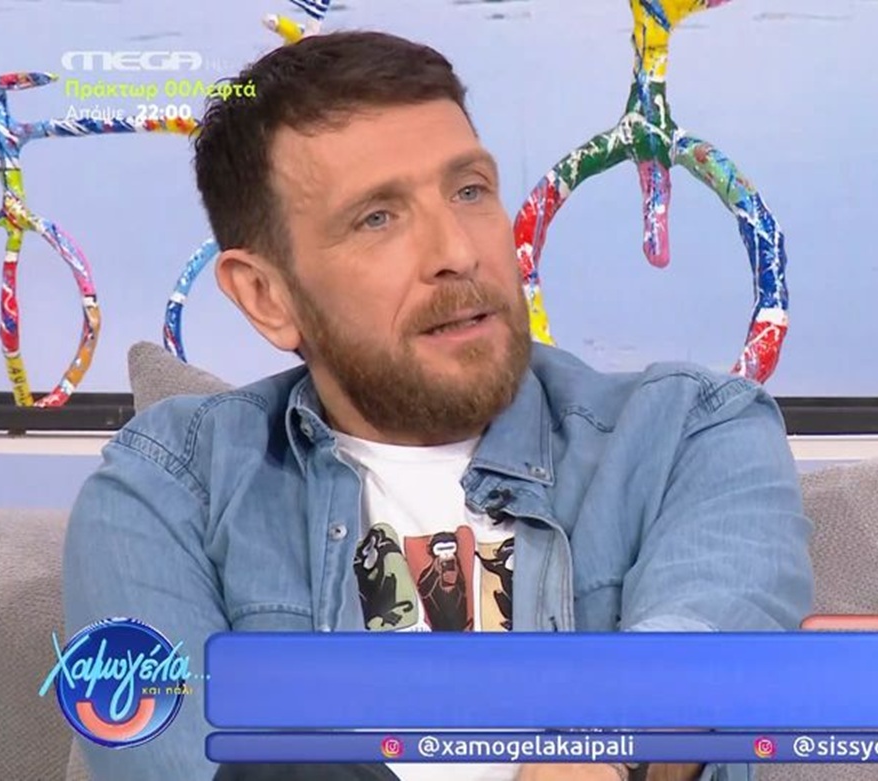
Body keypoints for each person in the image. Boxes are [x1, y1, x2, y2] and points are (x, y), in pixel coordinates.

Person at [62, 30, 814, 781]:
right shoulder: (167, 491)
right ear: (267, 295)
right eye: (378, 218)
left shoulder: (690, 432)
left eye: (470, 190)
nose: (458, 250)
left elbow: (697, 659)